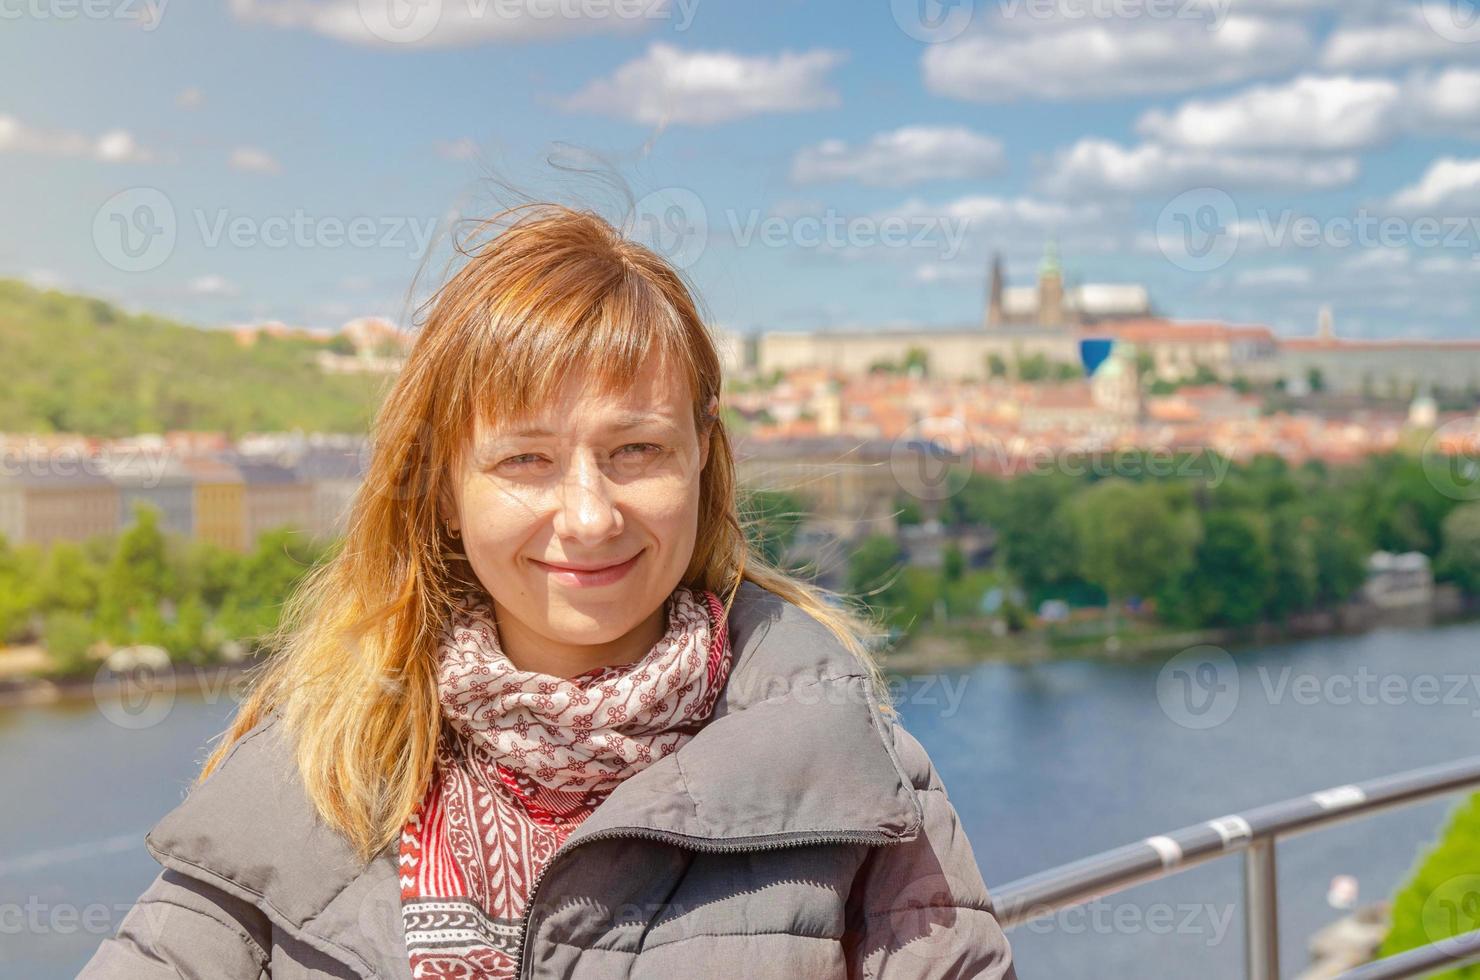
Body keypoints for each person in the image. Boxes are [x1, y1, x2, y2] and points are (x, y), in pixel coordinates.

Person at [78, 203, 1018, 979]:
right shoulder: (312, 768)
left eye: (637, 451)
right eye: (526, 459)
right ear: (443, 490)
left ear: (703, 463)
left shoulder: (859, 770)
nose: (589, 515)